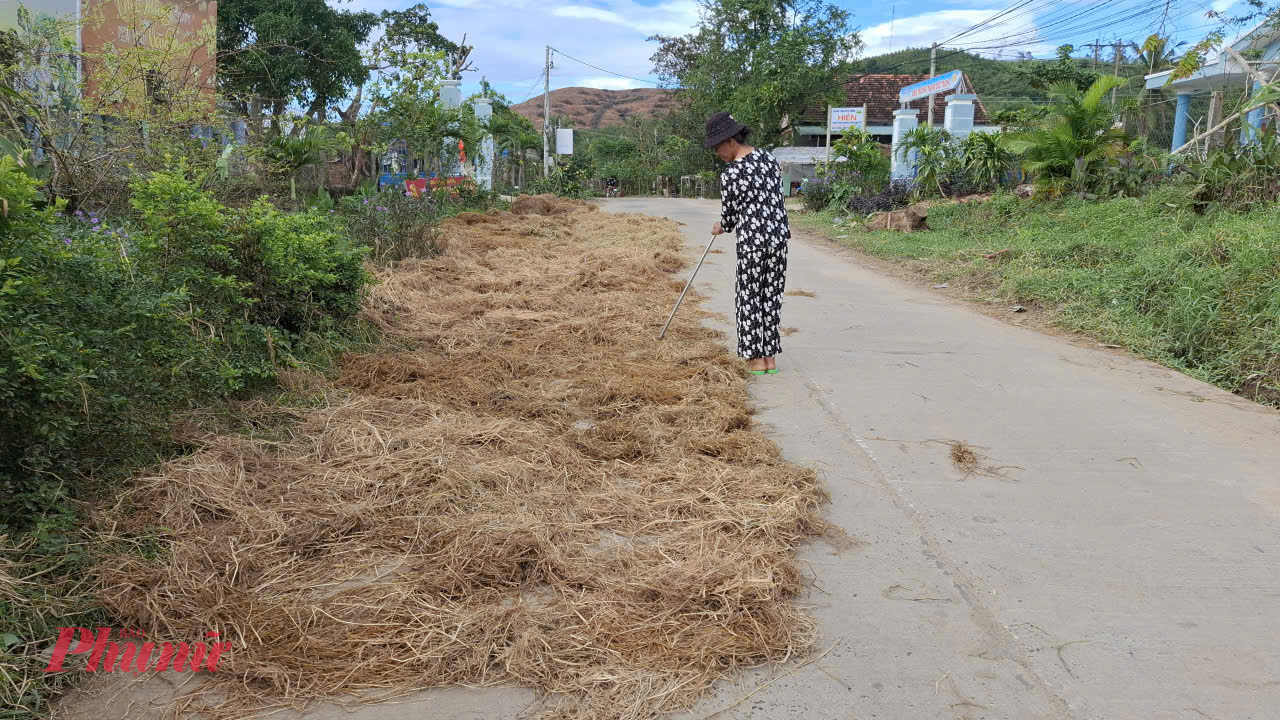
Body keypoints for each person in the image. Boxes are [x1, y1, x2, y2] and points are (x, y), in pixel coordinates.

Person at [705, 111, 790, 376]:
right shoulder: (768, 158)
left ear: (730, 140)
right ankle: (769, 358)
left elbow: (729, 217)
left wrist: (722, 225)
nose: (717, 153)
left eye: (717, 146)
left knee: (749, 296)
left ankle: (755, 359)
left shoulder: (731, 173)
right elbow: (774, 198)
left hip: (753, 242)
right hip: (778, 239)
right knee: (771, 296)